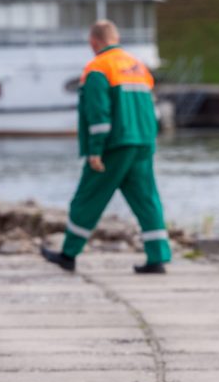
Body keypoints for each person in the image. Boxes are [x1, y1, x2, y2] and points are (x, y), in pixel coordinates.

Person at [41, 19, 171, 274]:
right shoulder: (137, 66)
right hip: (143, 142)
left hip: (115, 145)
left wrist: (95, 150)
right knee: (146, 200)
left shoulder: (97, 68)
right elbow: (149, 108)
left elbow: (99, 115)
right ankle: (158, 257)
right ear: (116, 37)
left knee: (87, 198)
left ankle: (68, 254)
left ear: (93, 42)